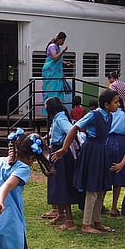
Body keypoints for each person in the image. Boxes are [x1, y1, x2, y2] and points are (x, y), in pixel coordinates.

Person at [52, 89, 119, 234]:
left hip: (102, 151)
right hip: (92, 151)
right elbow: (74, 128)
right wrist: (64, 148)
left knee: (101, 188)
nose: (118, 105)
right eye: (116, 102)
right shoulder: (93, 115)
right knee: (92, 187)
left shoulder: (109, 116)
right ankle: (86, 224)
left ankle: (97, 221)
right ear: (106, 105)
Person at [43, 97, 81, 230]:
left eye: (46, 106)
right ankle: (60, 214)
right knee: (56, 184)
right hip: (55, 152)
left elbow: (72, 130)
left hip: (61, 155)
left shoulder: (60, 119)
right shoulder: (57, 118)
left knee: (63, 185)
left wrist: (63, 149)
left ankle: (69, 221)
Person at [41, 32, 71, 111]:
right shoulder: (52, 46)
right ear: (58, 39)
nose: (63, 42)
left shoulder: (57, 47)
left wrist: (65, 63)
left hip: (56, 71)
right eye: (62, 40)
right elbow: (54, 58)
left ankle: (58, 108)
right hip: (50, 71)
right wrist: (63, 51)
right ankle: (50, 109)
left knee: (58, 90)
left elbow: (58, 60)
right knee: (51, 89)